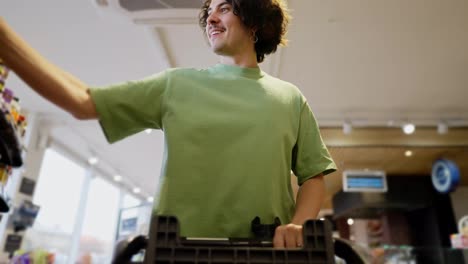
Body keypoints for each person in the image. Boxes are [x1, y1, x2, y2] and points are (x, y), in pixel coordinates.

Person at [0, 0, 336, 249]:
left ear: (256, 23)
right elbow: (84, 101)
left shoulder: (290, 98)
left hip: (267, 254)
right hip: (176, 251)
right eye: (210, 10)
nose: (212, 17)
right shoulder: (177, 85)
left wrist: (299, 225)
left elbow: (313, 176)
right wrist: (7, 43)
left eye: (226, 7)